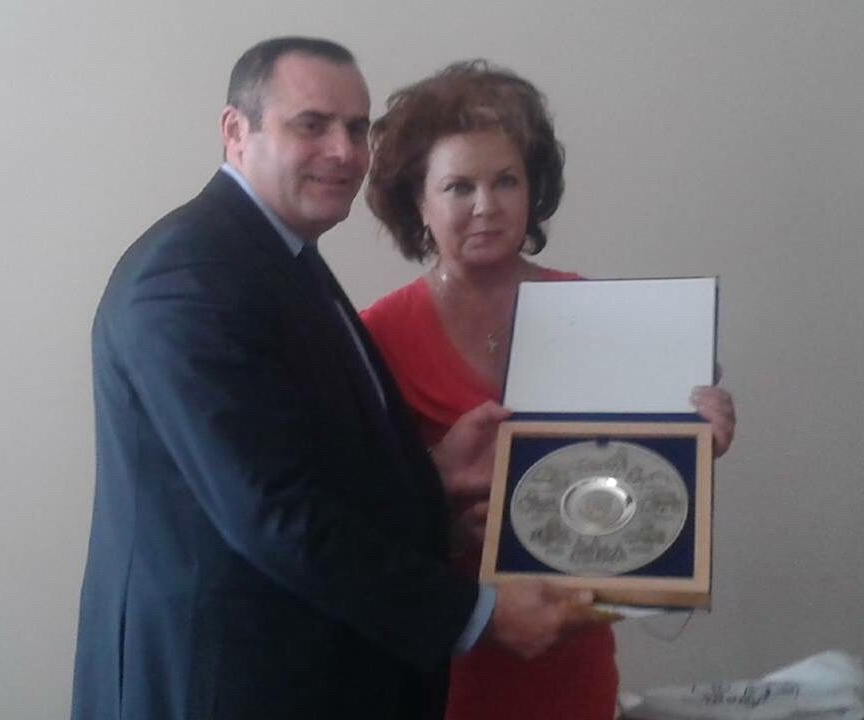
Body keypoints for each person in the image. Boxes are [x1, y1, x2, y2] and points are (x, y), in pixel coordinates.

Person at [71, 39, 605, 720]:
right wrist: (476, 614)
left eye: (356, 129)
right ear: (236, 132)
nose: (344, 151)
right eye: (312, 124)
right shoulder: (187, 279)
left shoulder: (281, 260)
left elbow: (315, 475)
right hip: (222, 687)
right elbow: (275, 514)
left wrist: (428, 480)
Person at [362, 61, 737, 720]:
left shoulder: (596, 314)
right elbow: (349, 525)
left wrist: (695, 440)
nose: (486, 205)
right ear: (417, 201)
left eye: (506, 180)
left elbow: (639, 480)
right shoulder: (375, 337)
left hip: (576, 661)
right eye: (458, 186)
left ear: (533, 188)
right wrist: (441, 514)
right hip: (446, 671)